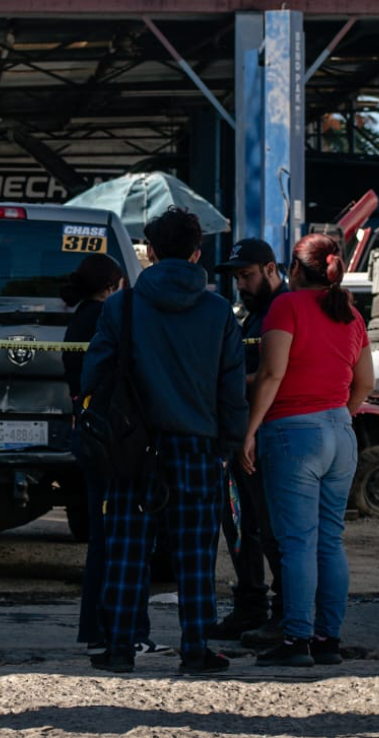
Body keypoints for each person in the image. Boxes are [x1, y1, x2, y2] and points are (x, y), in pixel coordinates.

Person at [82, 207, 248, 674]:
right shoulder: (218, 311)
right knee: (195, 554)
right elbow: (231, 387)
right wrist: (228, 444)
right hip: (198, 447)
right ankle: (196, 648)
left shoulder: (122, 306)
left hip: (133, 447)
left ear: (150, 252)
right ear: (197, 252)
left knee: (127, 550)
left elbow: (95, 370)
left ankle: (119, 648)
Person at [240, 232, 375, 667]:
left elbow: (272, 373)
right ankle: (327, 640)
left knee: (296, 542)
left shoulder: (287, 306)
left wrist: (251, 430)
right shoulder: (351, 315)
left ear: (295, 269)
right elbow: (366, 383)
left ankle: (296, 640)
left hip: (293, 432)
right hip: (340, 430)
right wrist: (338, 415)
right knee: (329, 541)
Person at [62, 254, 167, 658]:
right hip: (118, 439)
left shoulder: (79, 320)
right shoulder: (111, 318)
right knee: (125, 541)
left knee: (103, 540)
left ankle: (98, 629)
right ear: (114, 284)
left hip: (92, 435)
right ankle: (124, 630)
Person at [211, 239, 288, 646]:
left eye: (247, 275)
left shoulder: (283, 309)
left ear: (271, 269)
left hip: (267, 435)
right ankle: (251, 605)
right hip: (243, 436)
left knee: (270, 529)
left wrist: (228, 385)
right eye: (237, 277)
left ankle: (281, 614)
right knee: (241, 525)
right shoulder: (255, 314)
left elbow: (278, 372)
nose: (241, 283)